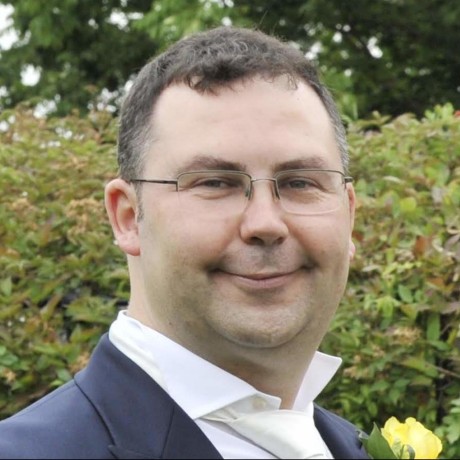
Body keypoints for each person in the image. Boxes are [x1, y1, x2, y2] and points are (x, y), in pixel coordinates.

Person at [0, 26, 368, 459]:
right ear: (127, 217)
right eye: (214, 183)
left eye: (301, 182)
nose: (266, 223)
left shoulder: (356, 447)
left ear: (349, 216)